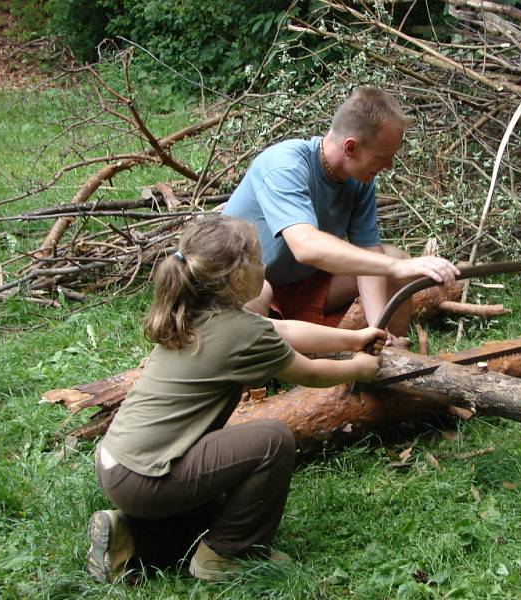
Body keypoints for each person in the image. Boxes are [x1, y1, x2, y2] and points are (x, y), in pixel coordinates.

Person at [86, 215, 387, 583]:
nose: (266, 266)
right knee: (272, 442)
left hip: (117, 464)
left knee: (220, 504)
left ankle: (131, 538)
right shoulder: (241, 332)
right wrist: (358, 368)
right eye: (260, 260)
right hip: (146, 477)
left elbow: (285, 329)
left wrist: (353, 339)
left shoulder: (199, 312)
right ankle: (227, 555)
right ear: (236, 278)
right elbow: (308, 372)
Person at [222, 86, 459, 336]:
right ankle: (265, 367)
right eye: (382, 157)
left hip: (299, 286)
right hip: (243, 284)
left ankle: (393, 358)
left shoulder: (359, 180)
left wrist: (379, 330)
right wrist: (392, 267)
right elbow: (306, 246)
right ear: (350, 148)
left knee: (394, 259)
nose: (389, 166)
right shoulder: (284, 165)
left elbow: (368, 252)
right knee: (260, 293)